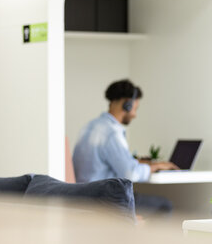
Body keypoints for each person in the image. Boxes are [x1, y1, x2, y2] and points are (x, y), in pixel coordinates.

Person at [73, 79, 178, 214]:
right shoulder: (111, 133)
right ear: (128, 104)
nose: (135, 114)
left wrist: (142, 163)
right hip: (105, 201)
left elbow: (107, 162)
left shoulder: (90, 126)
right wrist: (155, 166)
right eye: (135, 108)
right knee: (164, 205)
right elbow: (130, 174)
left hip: (83, 198)